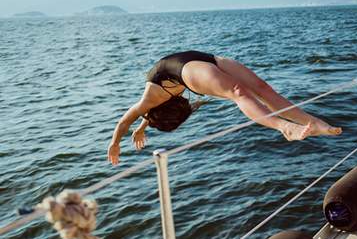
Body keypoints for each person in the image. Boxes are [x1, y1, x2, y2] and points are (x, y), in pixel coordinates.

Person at [107, 51, 341, 165]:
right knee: (239, 92)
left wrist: (115, 143)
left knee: (263, 88)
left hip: (201, 62)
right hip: (192, 67)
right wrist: (142, 127)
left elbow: (123, 121)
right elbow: (147, 113)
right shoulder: (153, 103)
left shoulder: (149, 100)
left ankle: (314, 123)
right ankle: (284, 127)